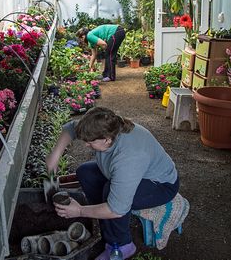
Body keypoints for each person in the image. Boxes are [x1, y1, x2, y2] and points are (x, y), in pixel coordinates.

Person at [46, 106, 179, 260]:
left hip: (160, 185)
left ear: (107, 140)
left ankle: (122, 245)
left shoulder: (129, 158)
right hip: (125, 173)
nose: (86, 145)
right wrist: (55, 155)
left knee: (111, 195)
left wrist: (80, 211)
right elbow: (70, 128)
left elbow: (117, 209)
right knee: (85, 172)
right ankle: (101, 218)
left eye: (89, 143)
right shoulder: (103, 127)